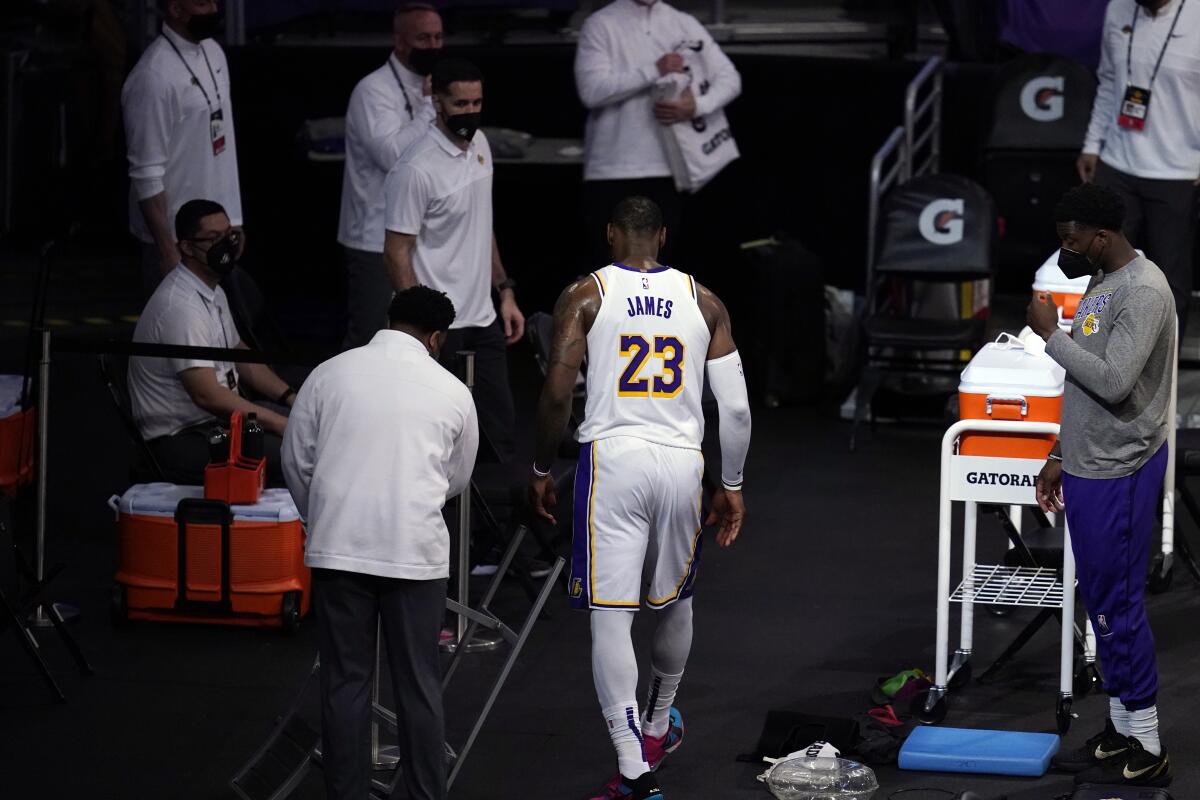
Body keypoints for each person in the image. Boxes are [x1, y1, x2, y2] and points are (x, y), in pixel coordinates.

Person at [528, 196, 750, 800]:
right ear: (663, 238)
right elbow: (734, 408)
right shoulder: (704, 301)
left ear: (610, 236)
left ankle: (632, 768)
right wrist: (730, 485)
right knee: (678, 597)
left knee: (612, 613)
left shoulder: (585, 295)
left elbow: (555, 393)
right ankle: (657, 726)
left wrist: (541, 466)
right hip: (682, 461)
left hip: (614, 459)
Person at [281, 286, 478, 800]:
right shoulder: (453, 390)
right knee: (419, 687)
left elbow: (297, 460)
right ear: (436, 338)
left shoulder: (329, 373)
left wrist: (323, 518)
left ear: (388, 319)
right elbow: (455, 479)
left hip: (339, 548)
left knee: (344, 683)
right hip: (414, 555)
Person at [1028, 184, 1174, 788]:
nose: (1068, 248)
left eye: (1073, 239)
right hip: (1089, 462)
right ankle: (1120, 726)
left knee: (1118, 606)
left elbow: (1114, 382)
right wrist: (1061, 449)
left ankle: (1150, 741)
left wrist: (1049, 335)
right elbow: (1089, 376)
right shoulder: (1103, 280)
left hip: (1123, 467)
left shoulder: (1142, 291)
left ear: (1103, 237)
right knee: (1101, 603)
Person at [383, 57, 524, 462]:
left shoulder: (480, 145)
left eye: (476, 102)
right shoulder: (415, 168)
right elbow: (395, 252)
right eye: (460, 104)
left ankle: (493, 526)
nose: (470, 112)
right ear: (437, 103)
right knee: (438, 441)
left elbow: (483, 225)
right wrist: (420, 325)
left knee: (499, 435)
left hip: (484, 319)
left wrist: (505, 292)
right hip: (440, 328)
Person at [129, 200, 295, 486]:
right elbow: (207, 395)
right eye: (213, 239)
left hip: (215, 424)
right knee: (294, 449)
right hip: (180, 439)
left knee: (310, 427)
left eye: (229, 235)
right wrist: (280, 423)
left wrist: (290, 398)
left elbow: (238, 353)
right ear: (187, 247)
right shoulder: (180, 307)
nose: (226, 245)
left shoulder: (212, 288)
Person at [574, 0, 741, 271]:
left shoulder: (682, 22)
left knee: (661, 274)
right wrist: (653, 70)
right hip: (611, 171)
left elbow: (730, 78)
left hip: (668, 170)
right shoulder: (601, 24)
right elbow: (591, 90)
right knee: (608, 273)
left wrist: (696, 106)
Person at [1077, 0, 1199, 331]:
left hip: (1178, 172)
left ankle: (1162, 372)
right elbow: (1108, 81)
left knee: (1170, 282)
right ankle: (1097, 360)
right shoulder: (1119, 7)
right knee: (1104, 272)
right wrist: (1092, 144)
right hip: (1118, 162)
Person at [337, 2, 444, 350]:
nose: (433, 46)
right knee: (370, 338)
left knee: (414, 338)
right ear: (399, 41)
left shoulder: (431, 86)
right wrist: (430, 106)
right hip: (373, 237)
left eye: (438, 37)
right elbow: (393, 155)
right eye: (424, 38)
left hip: (419, 236)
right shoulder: (373, 90)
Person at [122, 0, 244, 296]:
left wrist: (235, 222)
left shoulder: (214, 52)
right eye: (203, 3)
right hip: (182, 240)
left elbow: (223, 151)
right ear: (175, 9)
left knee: (219, 331)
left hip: (217, 230)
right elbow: (146, 173)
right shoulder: (153, 76)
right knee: (177, 336)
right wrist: (167, 249)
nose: (214, 9)